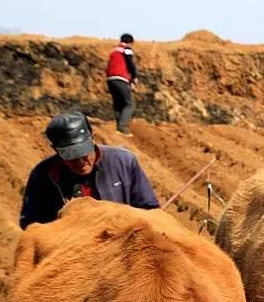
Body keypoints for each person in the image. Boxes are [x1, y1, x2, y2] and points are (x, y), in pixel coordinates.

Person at [19, 111, 159, 230]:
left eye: (84, 153)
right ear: (56, 150)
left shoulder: (123, 161)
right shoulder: (42, 175)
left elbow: (149, 209)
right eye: (73, 157)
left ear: (92, 138)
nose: (82, 162)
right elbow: (31, 225)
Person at [106, 33, 137, 135]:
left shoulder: (114, 50)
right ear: (130, 42)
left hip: (110, 79)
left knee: (118, 104)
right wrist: (134, 76)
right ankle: (122, 128)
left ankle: (118, 127)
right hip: (121, 78)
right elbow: (130, 63)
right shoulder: (126, 49)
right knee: (129, 104)